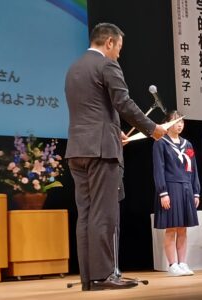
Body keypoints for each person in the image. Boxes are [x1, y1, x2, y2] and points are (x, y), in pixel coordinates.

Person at [65, 23, 166, 291]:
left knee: (85, 215)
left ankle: (89, 278)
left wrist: (114, 131)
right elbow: (124, 104)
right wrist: (152, 129)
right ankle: (104, 276)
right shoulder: (107, 65)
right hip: (101, 151)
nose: (119, 55)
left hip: (77, 150)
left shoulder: (73, 68)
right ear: (109, 42)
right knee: (104, 214)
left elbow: (92, 110)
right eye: (119, 48)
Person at [153, 111, 200, 276]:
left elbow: (193, 170)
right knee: (171, 228)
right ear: (166, 123)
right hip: (170, 188)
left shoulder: (187, 144)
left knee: (183, 229)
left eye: (181, 122)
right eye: (175, 121)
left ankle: (183, 263)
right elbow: (158, 170)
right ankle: (172, 265)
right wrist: (163, 192)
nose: (179, 124)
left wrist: (196, 192)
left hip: (186, 188)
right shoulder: (161, 143)